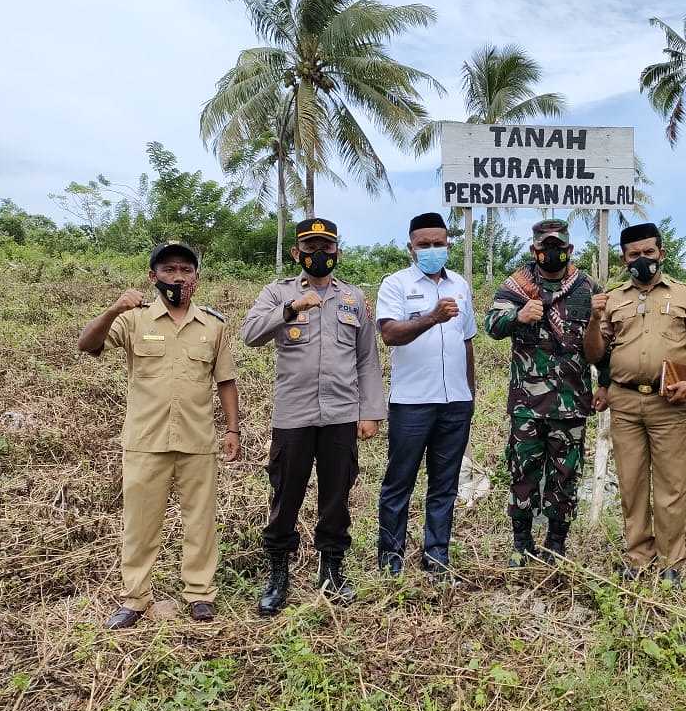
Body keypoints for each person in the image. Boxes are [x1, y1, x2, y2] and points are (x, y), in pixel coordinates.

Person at [78, 240, 241, 630]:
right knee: (140, 523)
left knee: (200, 522)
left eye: (186, 270)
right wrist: (115, 307)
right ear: (153, 277)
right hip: (145, 440)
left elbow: (226, 381)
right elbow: (87, 344)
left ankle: (200, 595)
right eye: (169, 269)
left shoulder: (213, 325)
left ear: (196, 279)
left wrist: (232, 428)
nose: (178, 277)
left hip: (197, 440)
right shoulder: (133, 320)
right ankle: (135, 598)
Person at [240, 217, 385, 614]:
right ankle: (278, 574)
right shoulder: (277, 292)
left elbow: (367, 360)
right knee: (286, 494)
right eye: (310, 247)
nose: (319, 255)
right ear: (296, 252)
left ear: (337, 251)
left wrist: (370, 411)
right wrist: (290, 309)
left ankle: (332, 571)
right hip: (294, 416)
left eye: (326, 248)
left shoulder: (354, 298)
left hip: (341, 414)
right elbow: (250, 334)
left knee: (336, 496)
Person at [584, 222, 686, 585]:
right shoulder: (612, 299)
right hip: (623, 402)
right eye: (633, 255)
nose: (642, 260)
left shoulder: (685, 296)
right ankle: (637, 556)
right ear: (624, 258)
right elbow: (596, 354)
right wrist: (594, 320)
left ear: (661, 252)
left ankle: (672, 560)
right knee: (632, 482)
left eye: (648, 252)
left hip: (669, 402)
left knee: (671, 484)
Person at [485, 218, 601, 566]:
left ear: (570, 250)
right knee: (523, 472)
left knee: (566, 475)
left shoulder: (587, 288)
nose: (551, 253)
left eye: (558, 248)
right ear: (534, 250)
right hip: (527, 405)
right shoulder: (516, 287)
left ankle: (555, 543)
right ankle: (521, 543)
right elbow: (491, 326)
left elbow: (603, 342)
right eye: (544, 247)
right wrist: (518, 317)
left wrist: (606, 384)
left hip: (572, 402)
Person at [375, 212, 476, 577]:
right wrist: (431, 317)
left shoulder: (461, 285)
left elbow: (467, 343)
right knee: (399, 480)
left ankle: (436, 555)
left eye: (439, 243)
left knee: (444, 483)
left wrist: (471, 396)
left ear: (448, 244)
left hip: (455, 404)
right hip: (412, 403)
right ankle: (391, 555)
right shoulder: (396, 284)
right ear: (411, 247)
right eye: (424, 244)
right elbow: (390, 334)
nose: (433, 249)